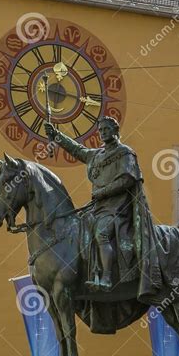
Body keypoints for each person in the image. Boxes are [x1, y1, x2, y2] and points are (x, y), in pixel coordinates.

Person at [45, 116, 147, 291]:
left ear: (116, 131)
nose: (103, 133)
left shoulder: (125, 153)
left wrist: (102, 192)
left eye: (106, 129)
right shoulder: (96, 155)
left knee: (102, 233)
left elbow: (126, 180)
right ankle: (88, 273)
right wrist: (56, 136)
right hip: (98, 208)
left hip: (118, 208)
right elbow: (76, 149)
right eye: (100, 130)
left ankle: (106, 278)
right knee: (76, 229)